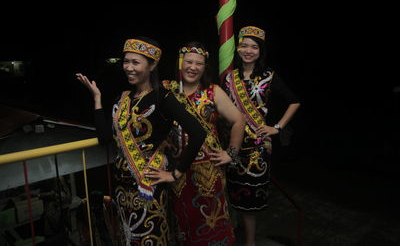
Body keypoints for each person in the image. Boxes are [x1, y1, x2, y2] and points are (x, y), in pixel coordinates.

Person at [76, 36, 206, 245]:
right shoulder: (124, 98)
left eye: (136, 62)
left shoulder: (162, 97)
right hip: (121, 191)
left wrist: (175, 173)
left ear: (152, 65)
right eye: (126, 61)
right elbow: (104, 139)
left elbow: (198, 133)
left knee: (152, 239)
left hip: (149, 189)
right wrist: (97, 99)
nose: (129, 67)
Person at [222, 26, 301, 246]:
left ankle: (250, 243)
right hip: (231, 146)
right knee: (229, 193)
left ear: (260, 50)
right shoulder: (229, 78)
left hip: (256, 149)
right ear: (237, 48)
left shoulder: (269, 76)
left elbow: (294, 101)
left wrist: (276, 127)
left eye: (254, 47)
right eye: (244, 45)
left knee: (249, 202)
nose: (248, 50)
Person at [162, 41, 245, 245]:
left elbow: (238, 120)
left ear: (204, 67)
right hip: (177, 169)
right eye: (188, 62)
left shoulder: (212, 91)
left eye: (199, 63)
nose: (193, 67)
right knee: (182, 220)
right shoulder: (166, 89)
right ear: (180, 64)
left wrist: (231, 153)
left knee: (211, 222)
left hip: (208, 172)